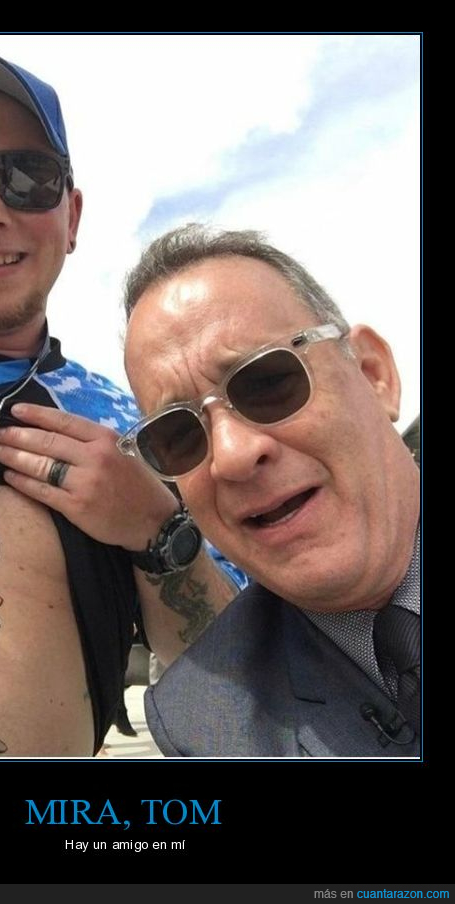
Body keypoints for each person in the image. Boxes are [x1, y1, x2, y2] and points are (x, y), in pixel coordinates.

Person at [0, 48, 242, 758]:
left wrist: (158, 531)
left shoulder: (138, 427)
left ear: (71, 216)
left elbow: (236, 696)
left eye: (27, 177)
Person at [119, 224, 420, 757]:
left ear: (375, 375)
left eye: (267, 382)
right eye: (178, 435)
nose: (233, 455)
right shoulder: (202, 724)